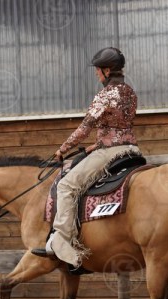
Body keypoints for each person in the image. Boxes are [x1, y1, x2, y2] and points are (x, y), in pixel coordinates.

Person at [32, 47, 141, 268]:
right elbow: (119, 127)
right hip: (132, 150)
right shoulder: (130, 92)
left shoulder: (105, 94)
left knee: (66, 186)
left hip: (110, 152)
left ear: (107, 70)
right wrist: (96, 145)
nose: (96, 73)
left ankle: (62, 242)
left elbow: (85, 128)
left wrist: (62, 149)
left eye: (98, 69)